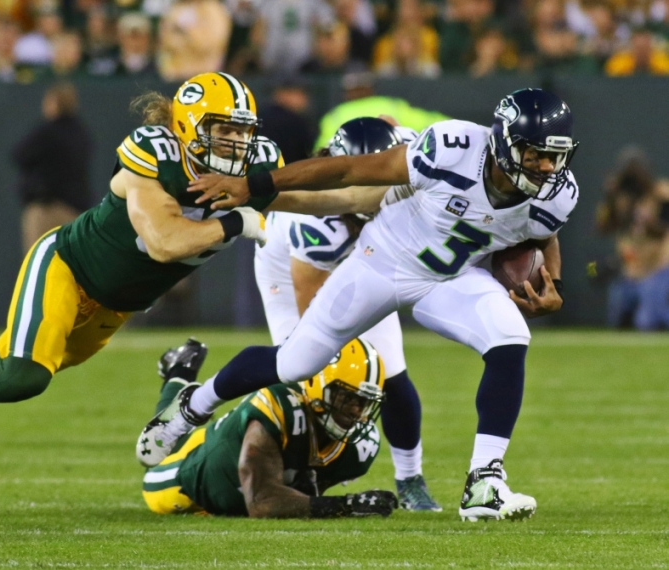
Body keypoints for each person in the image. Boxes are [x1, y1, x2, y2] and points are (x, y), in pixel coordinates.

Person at [0, 71, 389, 492]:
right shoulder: (154, 157)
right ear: (187, 128)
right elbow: (164, 243)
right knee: (24, 374)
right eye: (223, 131)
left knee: (4, 363)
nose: (234, 145)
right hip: (69, 269)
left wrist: (396, 189)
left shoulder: (247, 168)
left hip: (114, 306)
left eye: (241, 132)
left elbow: (329, 194)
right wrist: (235, 220)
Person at [142, 88, 579, 523]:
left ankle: (484, 482)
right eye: (534, 153)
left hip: (447, 279)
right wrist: (252, 185)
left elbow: (542, 234)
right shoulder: (453, 148)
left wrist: (551, 282)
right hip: (380, 264)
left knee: (509, 335)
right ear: (503, 142)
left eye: (554, 157)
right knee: (297, 362)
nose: (545, 167)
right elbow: (348, 172)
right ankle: (191, 406)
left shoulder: (557, 192)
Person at [254, 117, 440, 511]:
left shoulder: (410, 146)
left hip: (367, 255)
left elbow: (390, 125)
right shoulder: (318, 222)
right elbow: (311, 303)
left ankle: (411, 478)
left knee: (391, 373)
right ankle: (303, 471)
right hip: (291, 272)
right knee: (301, 370)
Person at [142, 337, 398, 519]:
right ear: (318, 386)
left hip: (221, 445)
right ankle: (179, 372)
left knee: (181, 432)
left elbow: (305, 495)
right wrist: (346, 505)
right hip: (180, 482)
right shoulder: (279, 406)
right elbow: (262, 503)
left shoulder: (360, 448)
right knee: (163, 443)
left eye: (364, 402)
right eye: (348, 398)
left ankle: (180, 372)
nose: (356, 411)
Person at [12, 82, 93, 253]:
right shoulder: (81, 132)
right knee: (72, 267)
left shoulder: (46, 131)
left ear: (55, 103)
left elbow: (19, 154)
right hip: (75, 212)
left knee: (38, 264)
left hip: (45, 209)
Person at [595, 148, 669, 330]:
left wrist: (649, 222)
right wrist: (610, 197)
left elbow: (662, 227)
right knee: (616, 317)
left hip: (659, 266)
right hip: (632, 270)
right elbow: (603, 227)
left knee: (646, 321)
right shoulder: (621, 199)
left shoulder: (660, 193)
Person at [312, 71, 448, 150]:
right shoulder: (391, 105)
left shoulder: (335, 115)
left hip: (352, 177)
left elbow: (321, 153)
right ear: (371, 89)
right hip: (391, 172)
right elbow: (437, 123)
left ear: (346, 93)